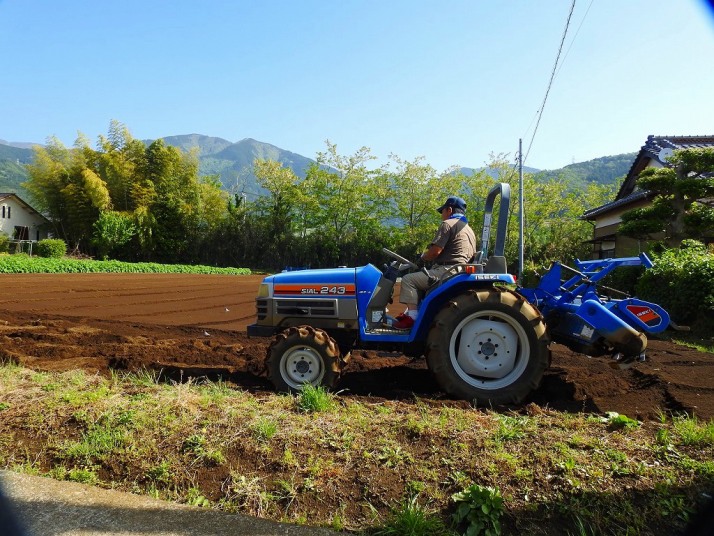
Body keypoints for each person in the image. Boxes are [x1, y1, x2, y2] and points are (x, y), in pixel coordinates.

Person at [392, 195, 477, 329]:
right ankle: (412, 313)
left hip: (447, 271)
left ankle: (412, 318)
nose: (442, 215)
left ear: (449, 210)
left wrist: (422, 258)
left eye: (442, 211)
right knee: (420, 281)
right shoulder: (469, 230)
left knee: (409, 279)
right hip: (459, 271)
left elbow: (434, 252)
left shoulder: (448, 224)